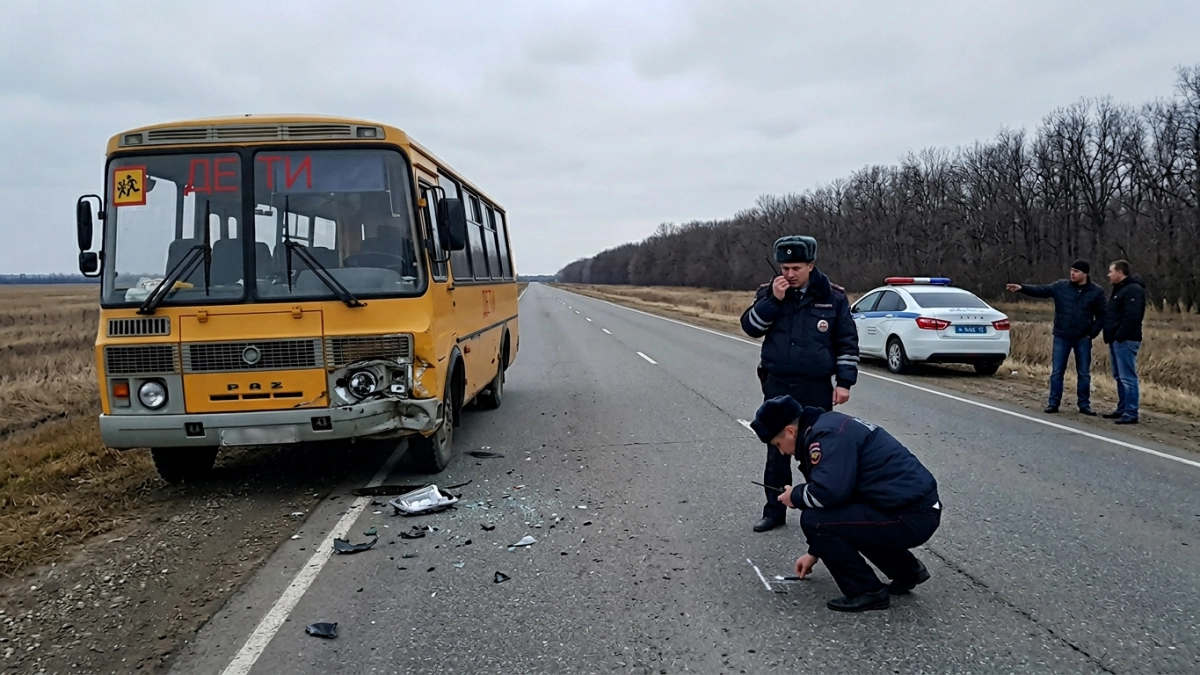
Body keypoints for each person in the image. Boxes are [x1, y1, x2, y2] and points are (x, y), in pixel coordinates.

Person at [750, 395, 941, 612]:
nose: (782, 452)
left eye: (778, 444)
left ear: (791, 431)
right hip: (913, 509)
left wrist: (794, 496)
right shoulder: (827, 425)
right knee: (849, 520)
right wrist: (815, 552)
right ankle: (906, 572)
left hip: (909, 515)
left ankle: (866, 591)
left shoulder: (825, 437)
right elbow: (842, 503)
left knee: (814, 520)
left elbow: (828, 493)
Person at [740, 235, 859, 533]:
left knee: (818, 449)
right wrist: (772, 302)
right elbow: (750, 328)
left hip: (815, 385)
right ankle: (774, 511)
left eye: (796, 268)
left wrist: (844, 382)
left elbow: (846, 342)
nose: (789, 275)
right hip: (778, 383)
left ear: (810, 265)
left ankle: (824, 513)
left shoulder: (833, 297)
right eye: (785, 268)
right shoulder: (769, 293)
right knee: (777, 450)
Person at [1005, 260, 1107, 415]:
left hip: (1082, 337)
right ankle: (1053, 403)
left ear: (1085, 274)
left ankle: (1084, 404)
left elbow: (1102, 315)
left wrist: (1091, 333)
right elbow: (1041, 290)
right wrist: (1022, 288)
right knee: (1057, 371)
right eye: (1071, 270)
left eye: (1076, 271)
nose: (1072, 273)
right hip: (1062, 334)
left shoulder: (1096, 291)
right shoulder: (1061, 286)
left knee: (1084, 373)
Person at [1102, 260, 1146, 424]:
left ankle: (1131, 411)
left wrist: (1120, 334)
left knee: (1128, 377)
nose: (1108, 275)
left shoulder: (1133, 290)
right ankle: (1122, 408)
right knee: (1119, 376)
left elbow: (1133, 317)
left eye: (1111, 271)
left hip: (1126, 339)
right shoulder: (1120, 289)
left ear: (1120, 272)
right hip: (1116, 339)